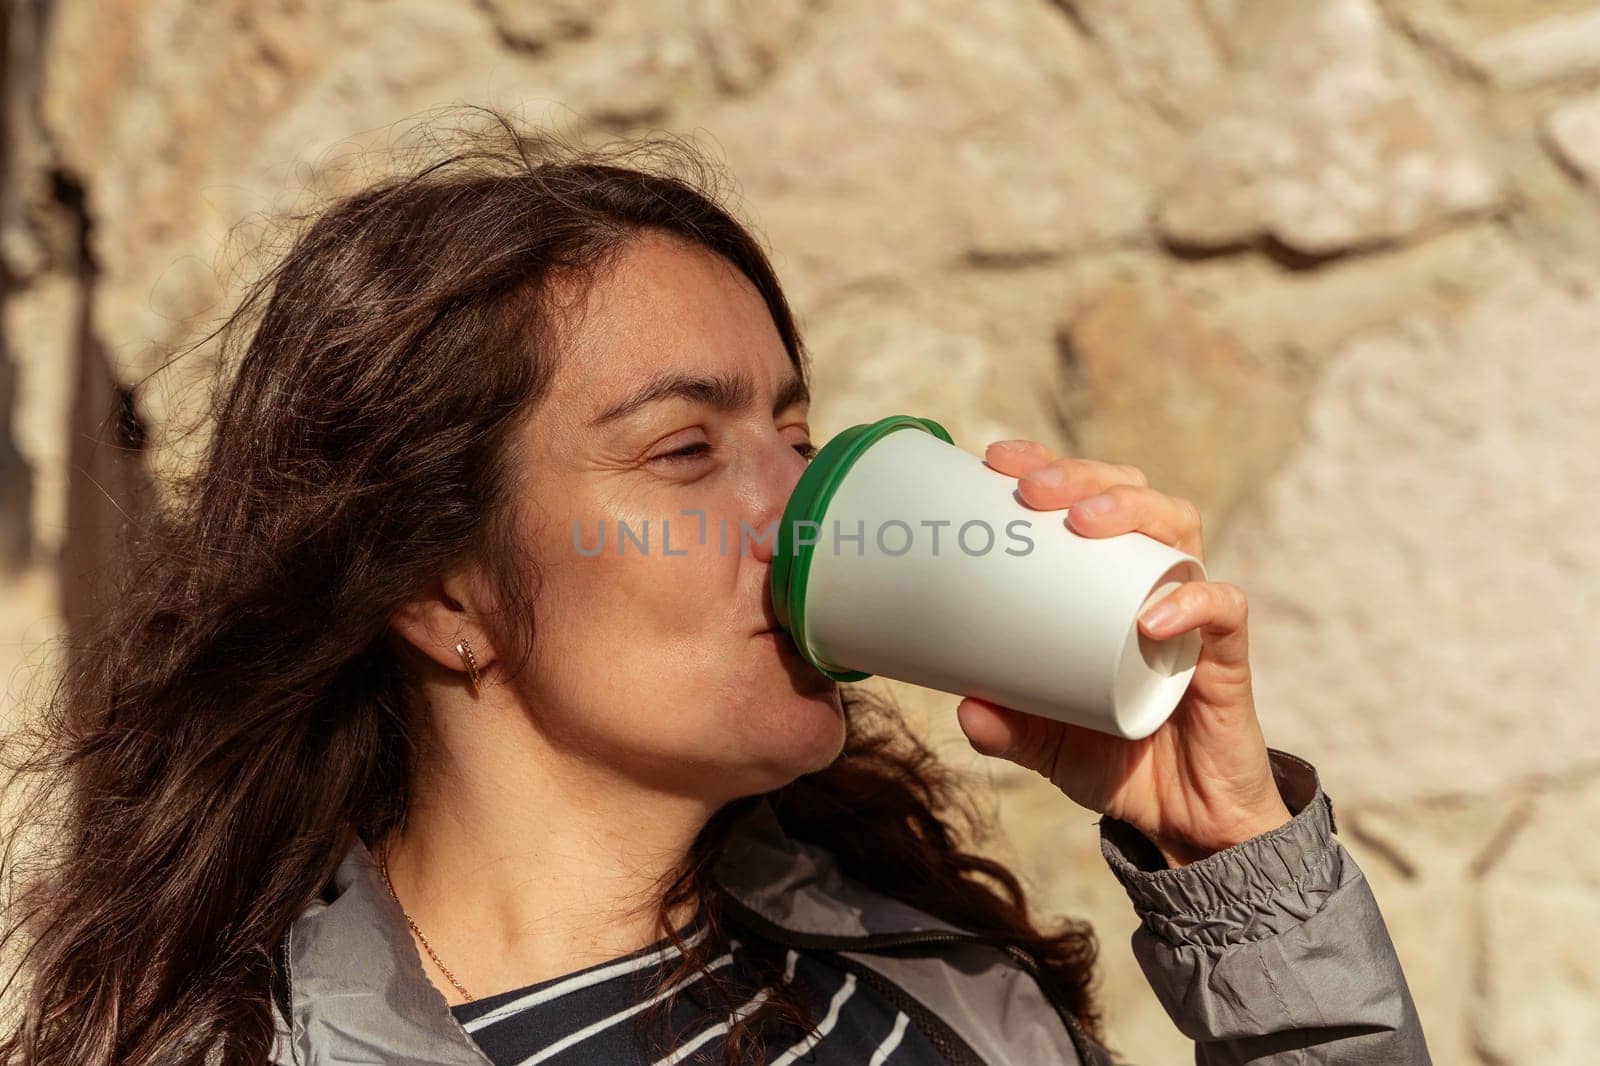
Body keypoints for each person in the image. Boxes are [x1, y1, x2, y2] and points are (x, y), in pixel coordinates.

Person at [0, 109, 1431, 1066]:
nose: (795, 502)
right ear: (443, 593)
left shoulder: (927, 970)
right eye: (687, 451)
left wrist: (1234, 864)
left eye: (796, 437)